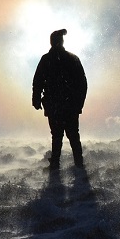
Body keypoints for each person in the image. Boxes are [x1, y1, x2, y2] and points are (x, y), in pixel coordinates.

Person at [32, 29, 87, 170]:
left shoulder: (48, 59)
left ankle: (58, 165)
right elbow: (83, 83)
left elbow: (38, 81)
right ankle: (76, 165)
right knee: (71, 135)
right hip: (66, 105)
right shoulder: (71, 58)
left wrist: (36, 99)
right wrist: (78, 103)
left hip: (59, 105)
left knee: (59, 136)